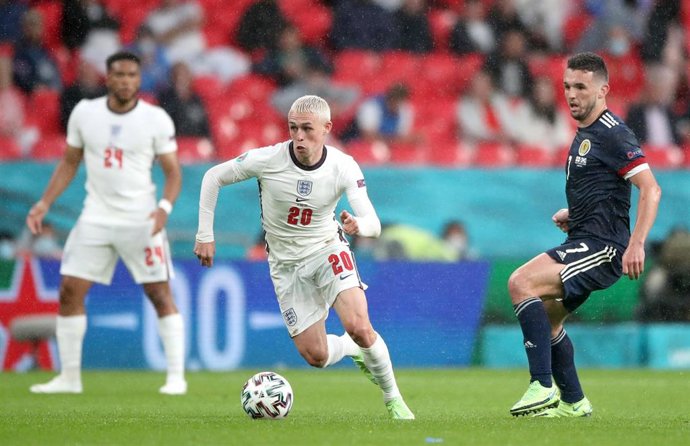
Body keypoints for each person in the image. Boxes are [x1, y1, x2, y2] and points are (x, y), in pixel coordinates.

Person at [194, 95, 414, 420]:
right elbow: (213, 177)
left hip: (328, 249)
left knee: (359, 325)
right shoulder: (267, 159)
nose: (298, 137)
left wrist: (358, 225)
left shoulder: (343, 166)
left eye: (307, 129)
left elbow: (374, 223)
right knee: (316, 355)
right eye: (293, 128)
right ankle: (351, 350)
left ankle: (393, 398)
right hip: (285, 266)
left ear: (327, 128)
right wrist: (204, 234)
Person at [508, 52, 661, 418]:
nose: (571, 94)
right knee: (548, 318)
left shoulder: (613, 133)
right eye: (567, 86)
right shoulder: (587, 134)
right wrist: (575, 214)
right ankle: (574, 402)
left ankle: (542, 387)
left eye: (581, 87)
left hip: (604, 249)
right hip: (584, 238)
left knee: (520, 283)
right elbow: (607, 191)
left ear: (603, 90)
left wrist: (636, 243)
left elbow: (651, 189)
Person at [25, 51, 186, 395]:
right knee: (69, 290)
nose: (126, 80)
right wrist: (44, 202)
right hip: (95, 216)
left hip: (141, 219)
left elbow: (173, 173)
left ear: (139, 79)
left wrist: (163, 209)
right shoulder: (85, 113)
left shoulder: (156, 119)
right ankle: (69, 378)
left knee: (159, 293)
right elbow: (69, 162)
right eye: (119, 74)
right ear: (108, 78)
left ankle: (176, 377)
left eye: (131, 74)